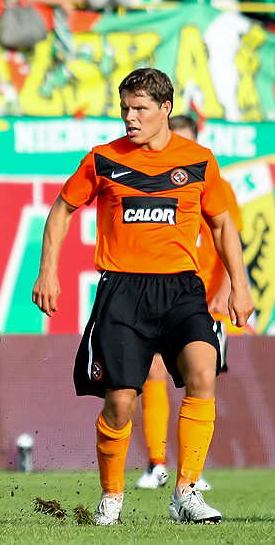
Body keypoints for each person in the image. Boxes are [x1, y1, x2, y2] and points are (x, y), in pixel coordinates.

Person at [32, 67, 254, 526]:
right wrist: (47, 272)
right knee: (120, 401)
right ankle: (111, 497)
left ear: (164, 110)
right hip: (123, 290)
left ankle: (186, 492)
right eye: (125, 109)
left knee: (202, 372)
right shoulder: (102, 159)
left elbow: (221, 226)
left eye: (140, 109)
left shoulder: (199, 161)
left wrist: (240, 283)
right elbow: (62, 209)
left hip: (181, 289)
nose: (129, 118)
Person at [135, 114, 244, 492]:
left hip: (203, 300)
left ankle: (191, 472)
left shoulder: (215, 180)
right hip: (158, 294)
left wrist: (230, 286)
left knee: (199, 380)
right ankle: (156, 463)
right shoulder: (148, 179)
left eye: (183, 140)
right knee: (152, 372)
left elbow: (230, 235)